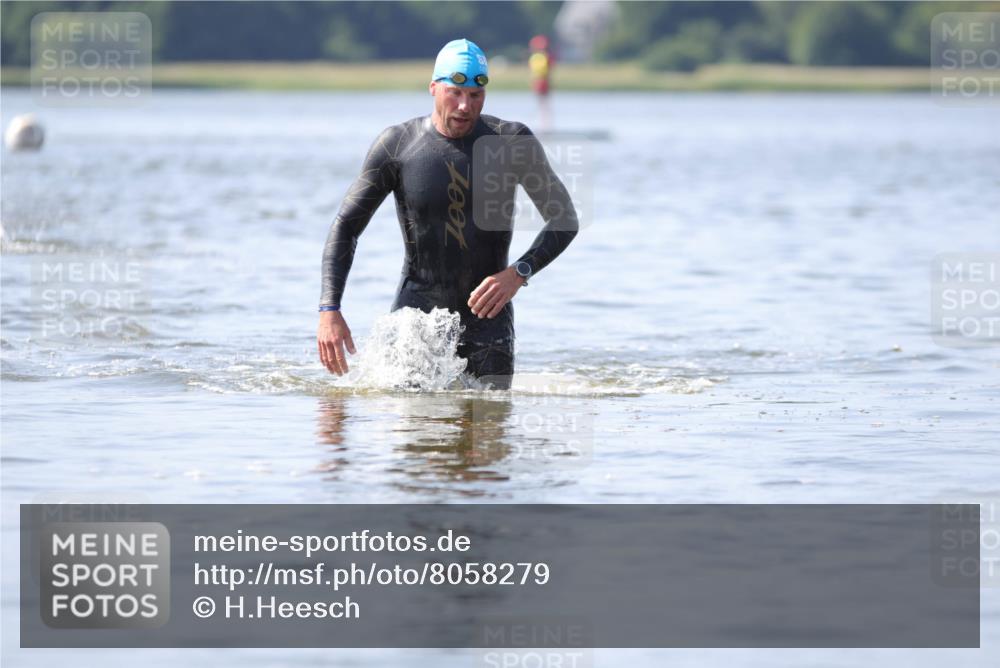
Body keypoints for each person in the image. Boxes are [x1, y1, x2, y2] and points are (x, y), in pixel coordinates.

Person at [317, 38, 578, 389]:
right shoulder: (398, 144)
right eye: (455, 93)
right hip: (415, 324)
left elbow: (564, 218)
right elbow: (346, 228)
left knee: (488, 437)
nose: (464, 106)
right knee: (416, 434)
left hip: (489, 326)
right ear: (433, 87)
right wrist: (329, 310)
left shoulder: (511, 142)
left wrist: (518, 273)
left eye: (475, 95)